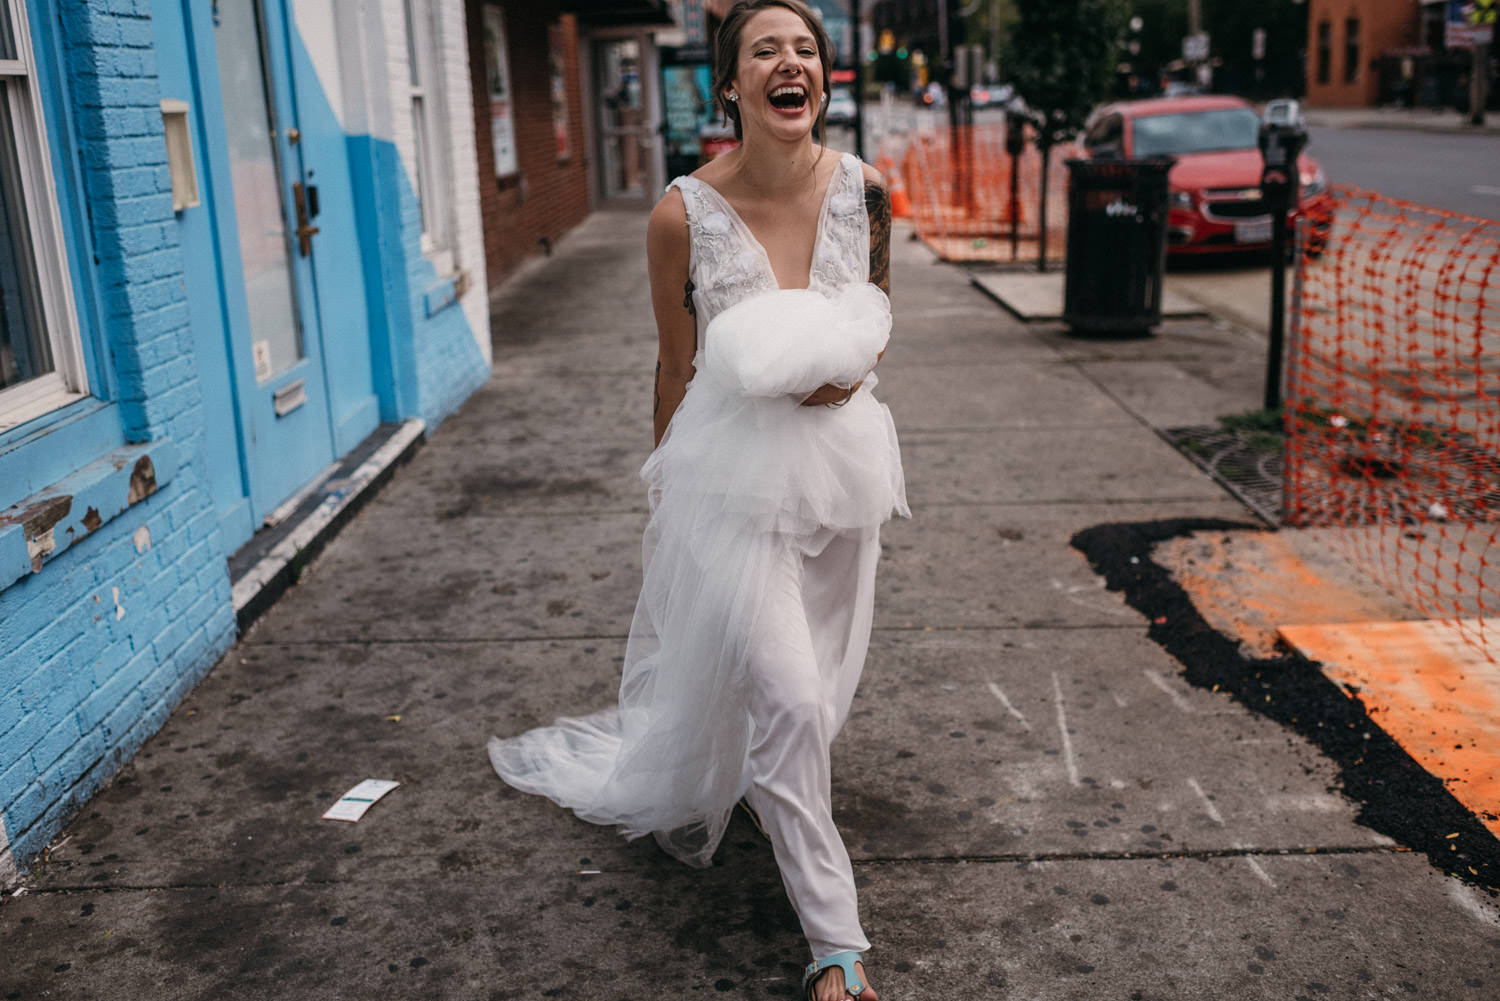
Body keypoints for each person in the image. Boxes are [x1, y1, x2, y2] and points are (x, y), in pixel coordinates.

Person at [489, 3, 906, 998]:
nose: (788, 62)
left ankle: (769, 781)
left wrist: (845, 370)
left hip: (842, 467)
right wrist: (666, 496)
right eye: (766, 49)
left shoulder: (870, 192)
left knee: (813, 693)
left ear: (823, 79)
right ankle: (836, 944)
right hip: (726, 483)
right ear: (732, 85)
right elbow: (673, 368)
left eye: (805, 49)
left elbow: (879, 316)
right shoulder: (680, 213)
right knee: (795, 699)